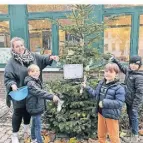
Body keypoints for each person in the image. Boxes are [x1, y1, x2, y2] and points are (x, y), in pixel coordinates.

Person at [4, 37, 59, 143]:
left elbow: (43, 59)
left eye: (21, 45)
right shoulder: (11, 62)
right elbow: (8, 77)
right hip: (19, 92)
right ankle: (14, 134)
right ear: (13, 48)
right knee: (18, 112)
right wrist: (12, 84)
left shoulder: (33, 56)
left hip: (32, 93)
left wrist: (51, 57)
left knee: (28, 111)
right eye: (17, 46)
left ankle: (26, 130)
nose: (20, 48)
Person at [82, 63, 125, 143]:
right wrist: (87, 87)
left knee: (114, 136)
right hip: (101, 113)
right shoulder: (101, 84)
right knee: (101, 133)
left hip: (111, 115)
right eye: (106, 71)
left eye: (111, 72)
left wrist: (104, 103)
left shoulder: (119, 88)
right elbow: (95, 94)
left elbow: (119, 103)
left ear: (116, 74)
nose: (108, 73)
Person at [111, 55, 143, 142]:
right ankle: (131, 132)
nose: (133, 65)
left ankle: (135, 136)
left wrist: (135, 106)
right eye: (131, 63)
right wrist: (115, 60)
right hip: (129, 101)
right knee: (130, 116)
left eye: (135, 64)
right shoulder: (129, 72)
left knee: (134, 117)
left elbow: (140, 93)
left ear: (139, 66)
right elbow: (122, 67)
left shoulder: (139, 77)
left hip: (134, 102)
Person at [24, 64, 59, 143]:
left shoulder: (36, 80)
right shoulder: (30, 83)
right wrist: (51, 96)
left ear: (39, 72)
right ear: (29, 73)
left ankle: (33, 139)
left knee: (34, 123)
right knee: (38, 126)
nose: (35, 73)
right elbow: (38, 92)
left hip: (36, 106)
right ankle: (39, 141)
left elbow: (41, 92)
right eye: (33, 71)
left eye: (37, 71)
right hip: (35, 107)